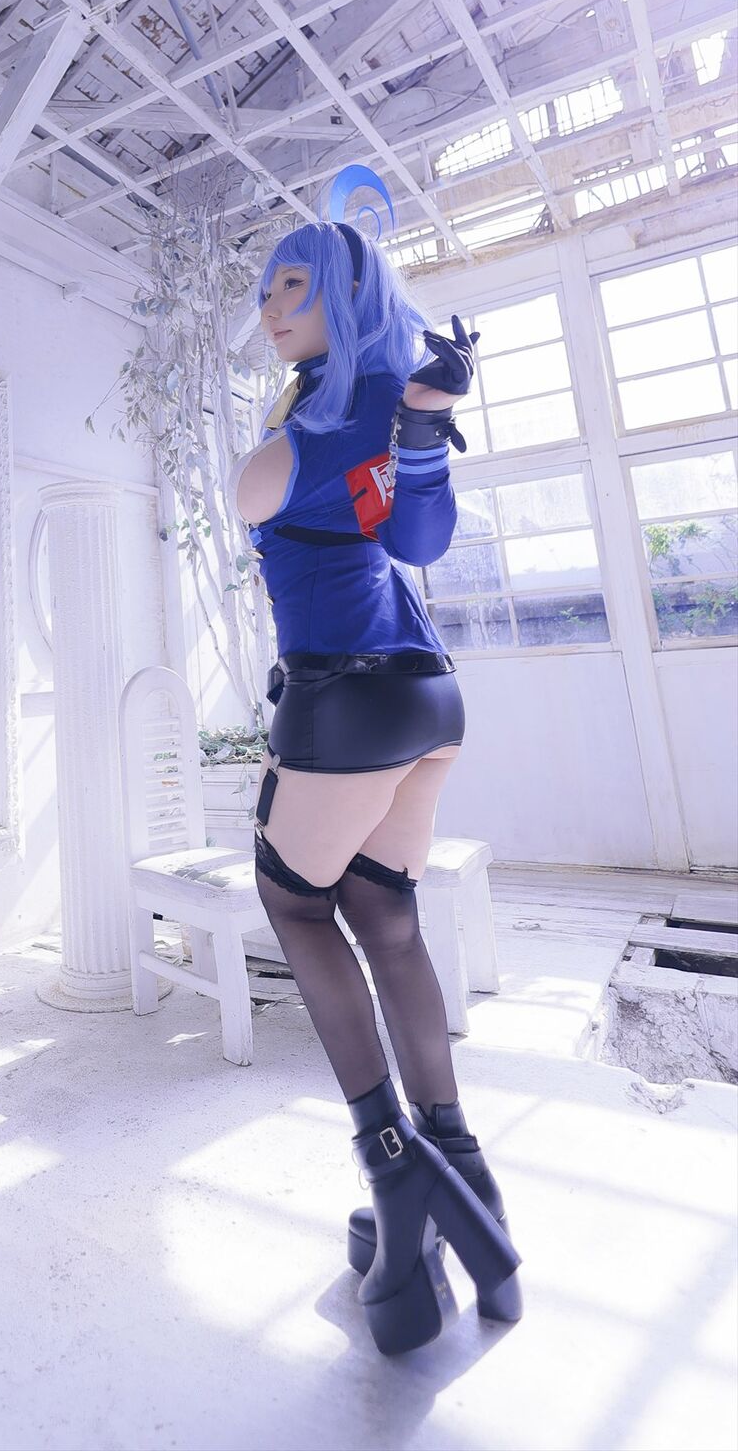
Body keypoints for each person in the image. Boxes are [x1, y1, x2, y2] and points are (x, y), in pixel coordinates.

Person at [231, 217, 520, 1356]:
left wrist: (392, 418)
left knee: (294, 903)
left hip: (345, 697)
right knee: (385, 921)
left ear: (344, 296)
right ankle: (467, 1181)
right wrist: (422, 425)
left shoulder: (331, 410)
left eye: (291, 284)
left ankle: (395, 1175)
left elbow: (256, 493)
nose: (268, 306)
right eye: (264, 288)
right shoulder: (376, 405)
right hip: (427, 701)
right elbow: (421, 539)